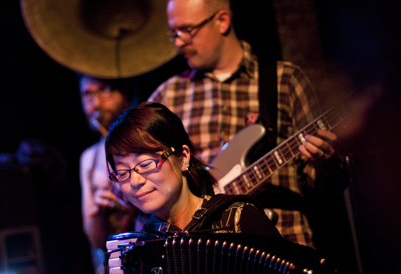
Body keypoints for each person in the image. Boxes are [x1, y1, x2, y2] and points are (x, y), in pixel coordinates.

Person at [85, 102, 359, 274]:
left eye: (146, 164)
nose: (134, 181)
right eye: (122, 172)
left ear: (183, 157)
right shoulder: (133, 255)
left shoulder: (239, 217)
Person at [148, 0, 349, 247]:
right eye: (173, 33)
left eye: (186, 30)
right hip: (200, 254)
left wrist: (326, 163)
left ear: (222, 21)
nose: (179, 42)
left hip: (281, 243)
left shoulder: (284, 80)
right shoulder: (167, 96)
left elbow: (328, 185)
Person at [79, 75, 138, 274]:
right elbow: (93, 237)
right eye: (87, 95)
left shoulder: (142, 143)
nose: (95, 101)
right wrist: (97, 212)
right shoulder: (88, 158)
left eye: (103, 90)